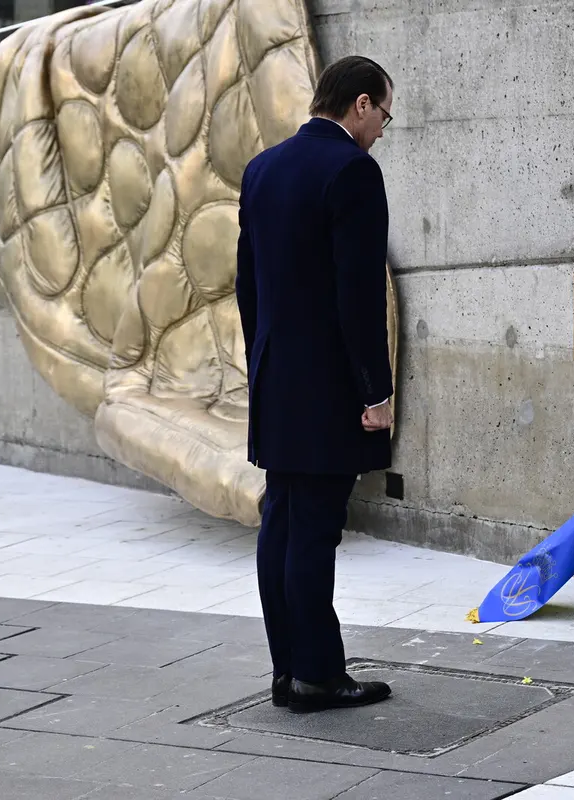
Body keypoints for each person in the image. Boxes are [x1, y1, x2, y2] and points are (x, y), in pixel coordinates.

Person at [235, 56, 396, 713]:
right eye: (385, 113)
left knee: (282, 521)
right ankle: (318, 676)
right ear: (360, 104)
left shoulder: (262, 168)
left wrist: (263, 360)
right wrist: (376, 392)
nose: (384, 128)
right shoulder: (353, 171)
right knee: (314, 530)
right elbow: (359, 297)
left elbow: (247, 285)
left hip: (278, 377)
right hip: (330, 385)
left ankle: (287, 669)